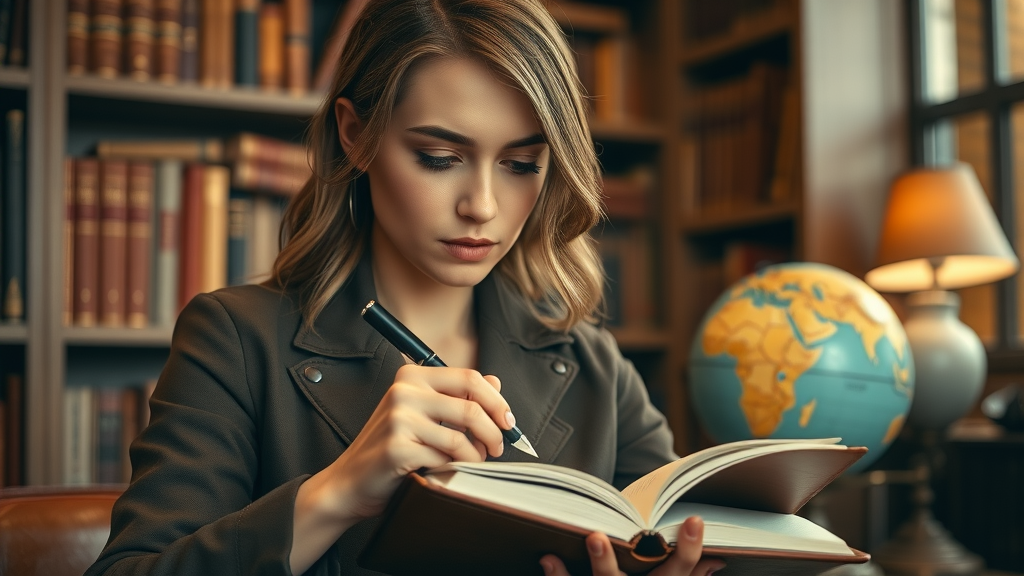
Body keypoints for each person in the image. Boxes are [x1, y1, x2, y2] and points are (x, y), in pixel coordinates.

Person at [86, 1, 725, 574]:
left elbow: (682, 532)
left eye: (521, 164)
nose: (482, 206)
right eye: (439, 159)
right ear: (354, 134)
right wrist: (336, 492)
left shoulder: (591, 363)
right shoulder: (234, 340)